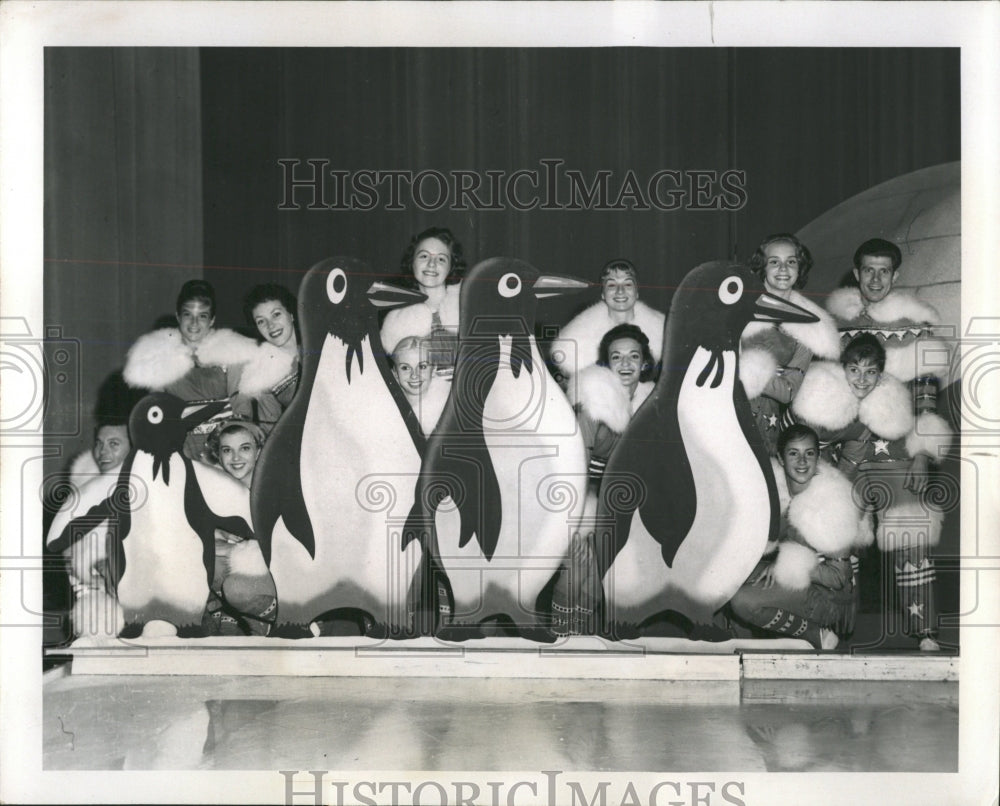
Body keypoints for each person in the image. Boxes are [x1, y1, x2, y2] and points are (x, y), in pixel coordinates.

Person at [789, 334, 953, 650]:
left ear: (881, 374)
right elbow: (814, 451)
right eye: (854, 370)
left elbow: (918, 423)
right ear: (843, 368)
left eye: (870, 372)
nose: (861, 379)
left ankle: (925, 630)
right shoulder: (824, 400)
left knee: (910, 535)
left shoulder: (894, 402)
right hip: (845, 474)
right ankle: (830, 622)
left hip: (890, 467)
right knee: (831, 534)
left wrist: (921, 455)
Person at [550, 323, 656, 636]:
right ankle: (558, 644)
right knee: (576, 568)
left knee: (601, 579)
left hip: (626, 508)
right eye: (617, 357)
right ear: (605, 363)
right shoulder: (592, 402)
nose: (626, 364)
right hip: (578, 500)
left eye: (633, 357)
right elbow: (572, 469)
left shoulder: (656, 405)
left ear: (645, 363)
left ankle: (578, 644)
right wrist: (575, 527)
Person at [826, 238, 949, 492]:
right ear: (857, 273)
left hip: (898, 451)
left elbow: (925, 396)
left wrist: (922, 455)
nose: (875, 279)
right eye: (869, 270)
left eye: (884, 271)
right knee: (844, 527)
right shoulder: (835, 325)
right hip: (845, 454)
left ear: (895, 276)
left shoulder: (915, 326)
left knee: (901, 528)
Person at [728, 424, 867, 650]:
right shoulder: (777, 494)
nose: (802, 462)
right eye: (794, 453)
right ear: (781, 459)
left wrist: (791, 566)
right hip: (799, 584)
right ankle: (748, 645)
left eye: (809, 453)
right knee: (729, 578)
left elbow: (839, 577)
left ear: (818, 457)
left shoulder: (832, 501)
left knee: (743, 601)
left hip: (829, 599)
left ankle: (816, 635)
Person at [123, 279, 293, 461]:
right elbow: (155, 414)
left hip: (225, 449)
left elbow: (242, 409)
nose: (194, 323)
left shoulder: (233, 352)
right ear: (178, 316)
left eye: (202, 316)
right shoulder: (160, 359)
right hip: (181, 451)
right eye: (188, 314)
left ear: (212, 320)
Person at [739, 233, 841, 455]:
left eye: (791, 262)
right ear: (762, 267)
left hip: (768, 422)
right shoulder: (736, 308)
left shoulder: (811, 324)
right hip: (727, 412)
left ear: (800, 268)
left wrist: (741, 371)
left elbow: (788, 391)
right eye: (774, 262)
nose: (783, 269)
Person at [46, 420, 132, 639]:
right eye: (99, 443)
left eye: (114, 444)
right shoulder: (80, 495)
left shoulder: (155, 487)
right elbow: (68, 556)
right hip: (96, 592)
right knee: (96, 624)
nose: (103, 452)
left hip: (146, 593)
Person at [202, 420, 277, 636]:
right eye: (227, 450)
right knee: (205, 564)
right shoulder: (220, 489)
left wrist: (229, 547)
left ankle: (287, 619)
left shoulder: (272, 487)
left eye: (244, 448)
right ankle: (244, 619)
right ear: (218, 455)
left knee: (236, 589)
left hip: (284, 573)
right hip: (249, 564)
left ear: (258, 451)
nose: (235, 458)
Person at [548, 259, 665, 381]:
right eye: (612, 285)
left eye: (628, 284)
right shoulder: (576, 343)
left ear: (637, 293)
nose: (620, 291)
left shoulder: (664, 335)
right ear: (603, 294)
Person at [379, 227, 466, 373]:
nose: (432, 264)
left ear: (451, 267)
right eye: (424, 256)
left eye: (441, 259)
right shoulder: (396, 321)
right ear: (412, 262)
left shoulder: (467, 306)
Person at [238, 283, 302, 432]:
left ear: (291, 314)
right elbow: (270, 431)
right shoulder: (263, 376)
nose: (270, 325)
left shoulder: (320, 347)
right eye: (261, 321)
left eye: (276, 314)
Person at [389, 336, 449, 437]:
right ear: (395, 372)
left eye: (422, 367)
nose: (414, 375)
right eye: (405, 368)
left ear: (434, 369)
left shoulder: (447, 407)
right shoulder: (389, 406)